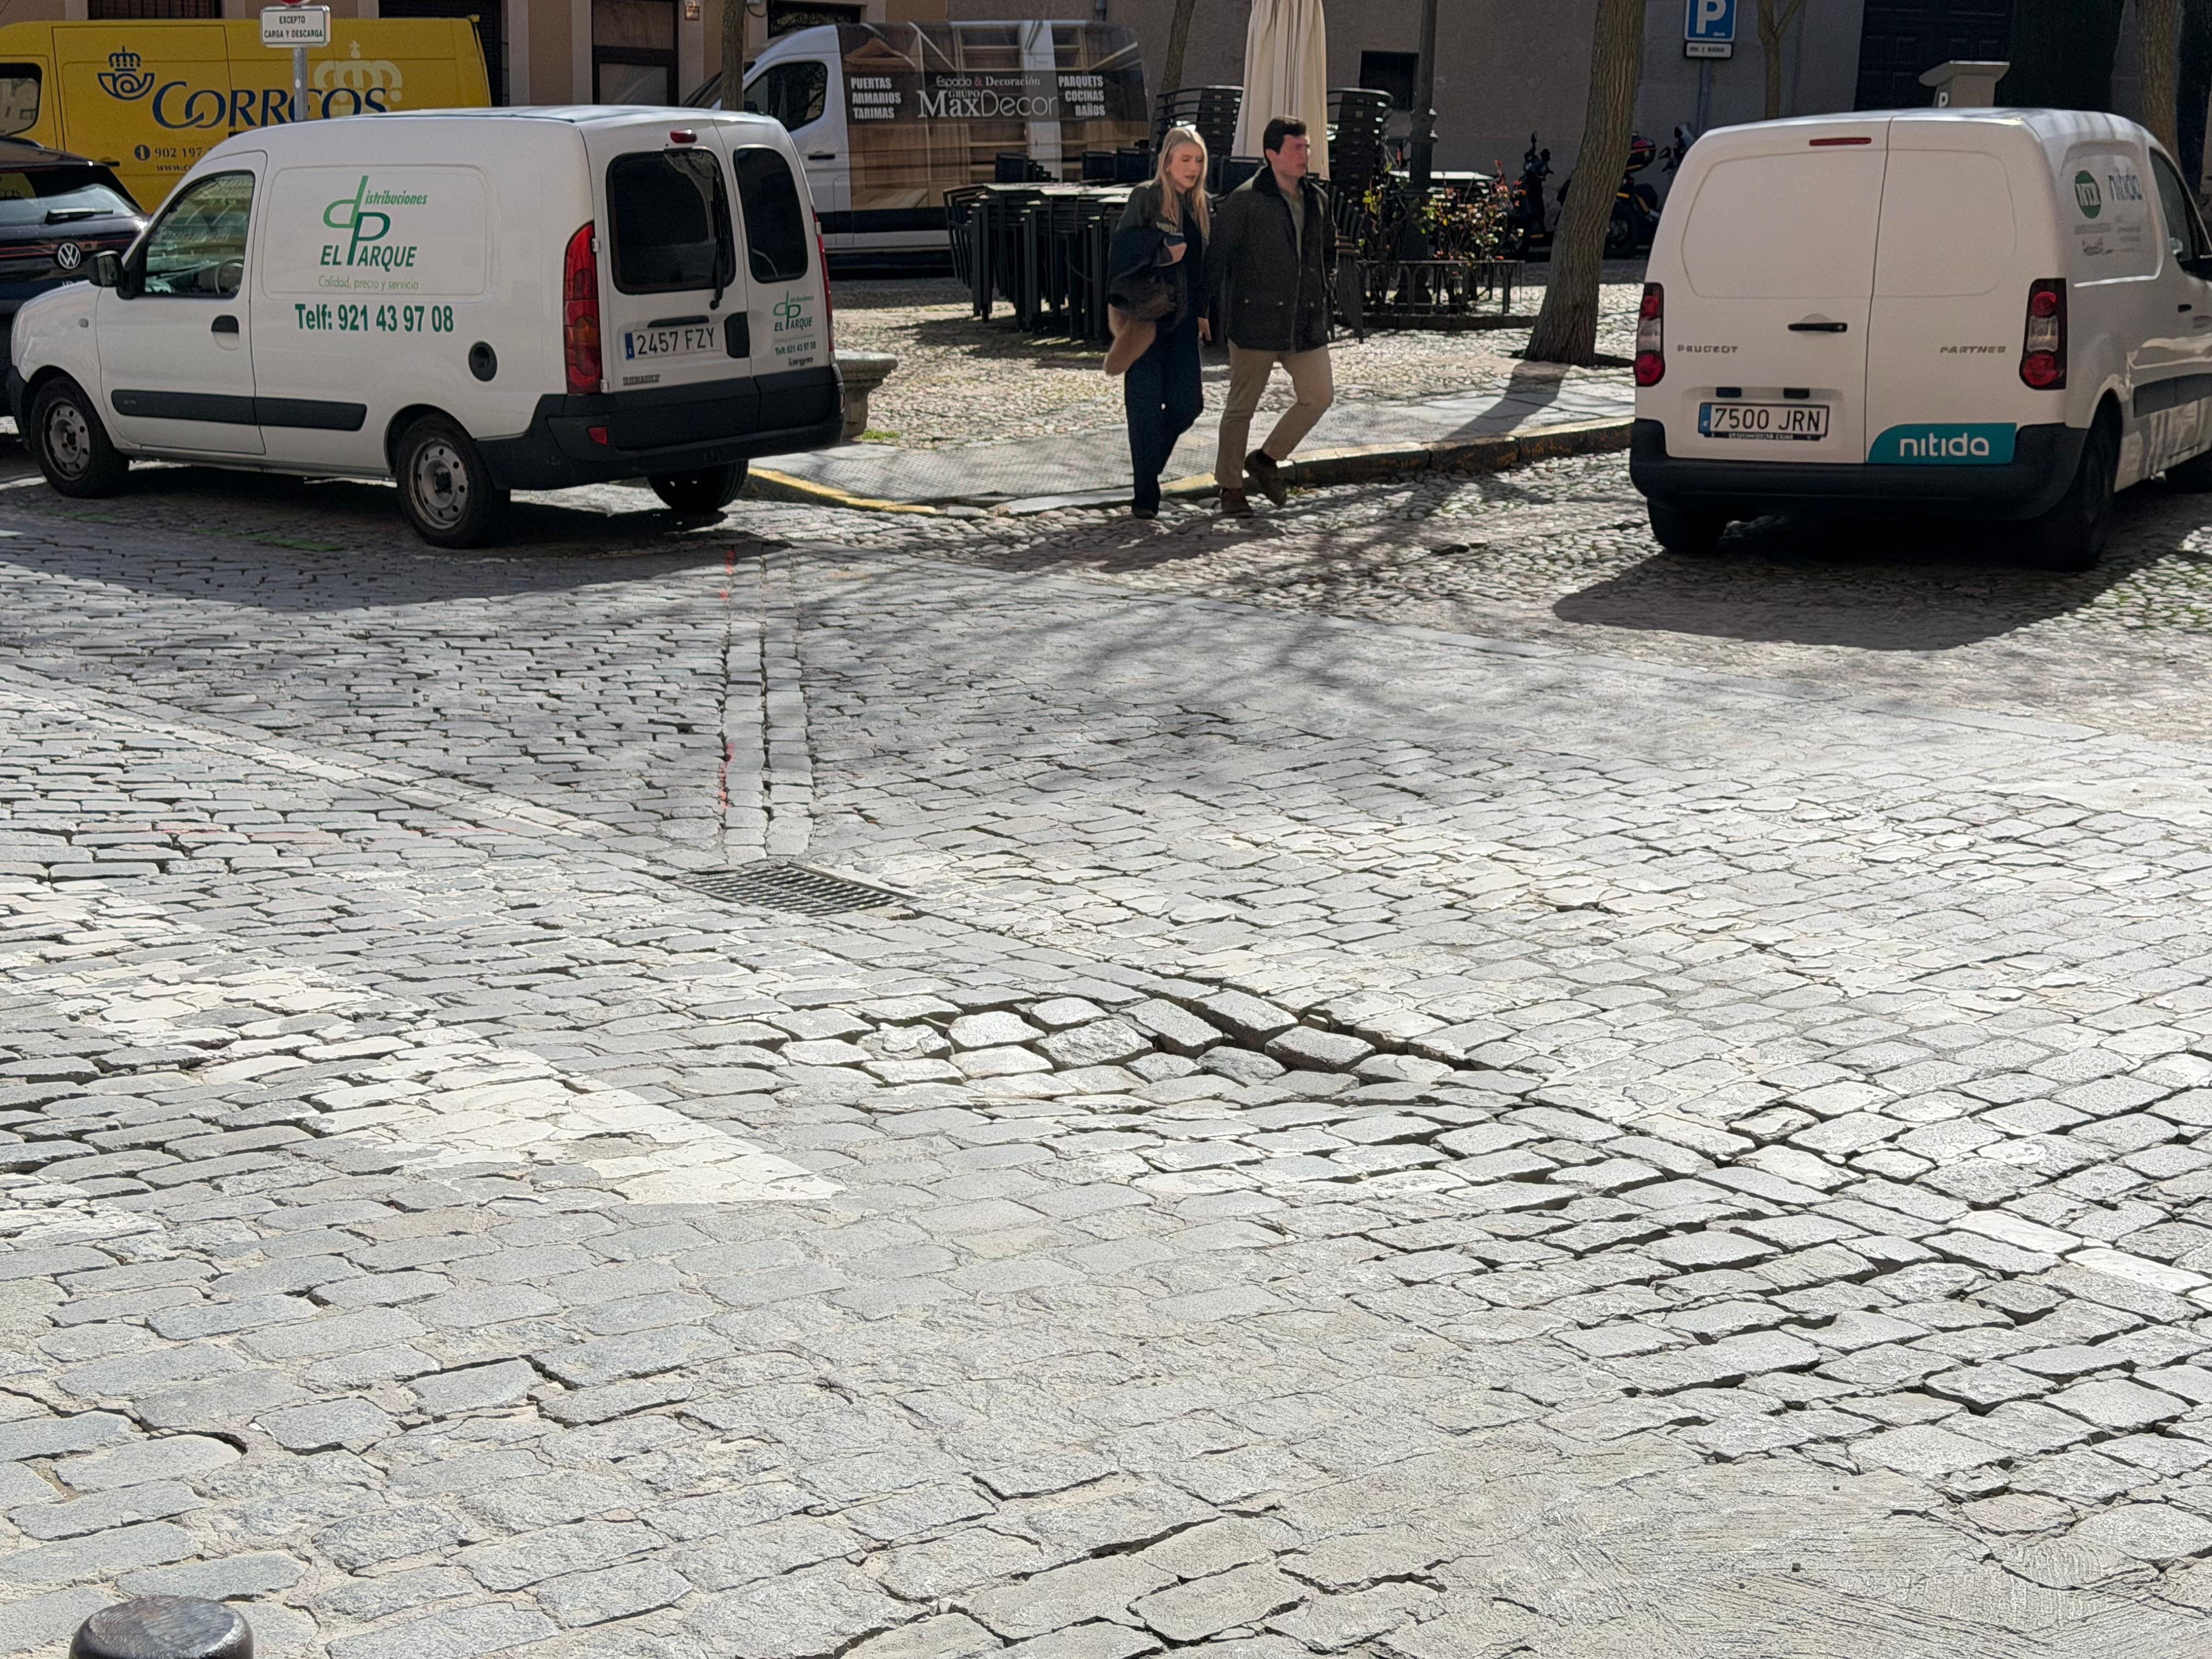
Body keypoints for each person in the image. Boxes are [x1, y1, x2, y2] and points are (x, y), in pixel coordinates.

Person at [1205, 116, 1335, 517]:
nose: (1305, 156)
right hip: (1255, 320)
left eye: (1307, 147)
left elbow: (1324, 255)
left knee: (1319, 396)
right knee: (1242, 406)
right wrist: (1202, 313)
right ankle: (1230, 488)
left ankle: (1265, 459)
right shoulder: (1244, 200)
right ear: (1271, 154)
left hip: (1304, 320)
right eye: (1296, 148)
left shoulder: (1317, 198)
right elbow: (1217, 260)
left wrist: (1324, 297)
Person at [1108, 127, 1211, 518]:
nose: (1192, 167)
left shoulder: (1200, 205)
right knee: (1145, 409)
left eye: (1198, 160)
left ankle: (1147, 474)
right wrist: (1162, 252)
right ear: (1167, 162)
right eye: (1185, 160)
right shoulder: (1146, 196)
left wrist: (1203, 313)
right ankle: (1145, 494)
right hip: (1145, 320)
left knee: (1188, 405)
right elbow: (1121, 252)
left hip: (1183, 322)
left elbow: (1202, 266)